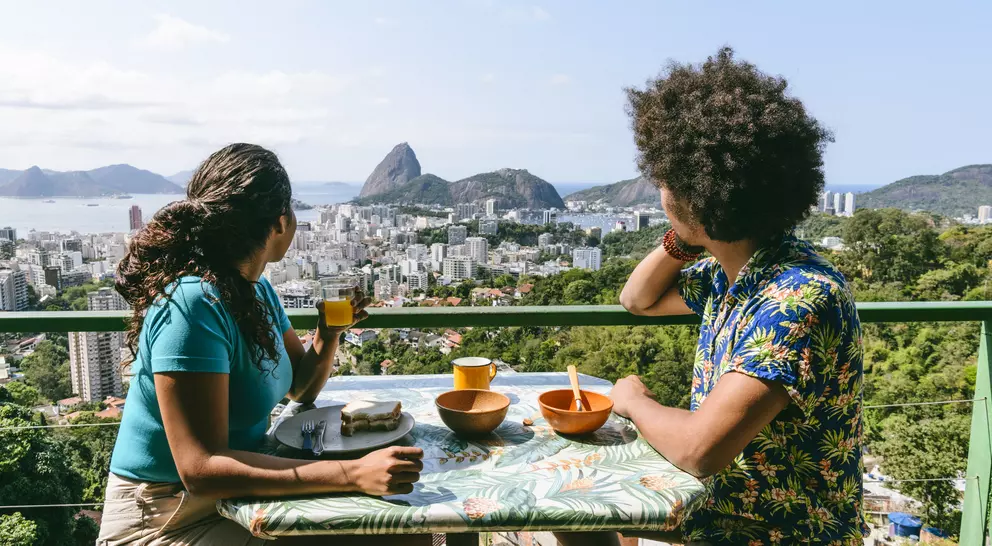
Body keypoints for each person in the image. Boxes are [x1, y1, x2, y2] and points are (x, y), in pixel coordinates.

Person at [558, 48, 867, 546]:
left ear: (699, 194)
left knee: (573, 514)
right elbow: (636, 299)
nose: (659, 187)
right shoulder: (734, 276)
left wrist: (633, 401)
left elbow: (700, 448)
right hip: (717, 513)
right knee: (573, 518)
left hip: (772, 532)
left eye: (667, 179)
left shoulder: (796, 298)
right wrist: (687, 235)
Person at [98, 143, 424, 545]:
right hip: (169, 514)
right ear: (280, 223)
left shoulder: (257, 291)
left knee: (402, 531)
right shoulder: (192, 304)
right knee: (394, 535)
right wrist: (352, 473)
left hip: (242, 492)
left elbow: (300, 387)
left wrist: (328, 332)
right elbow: (200, 468)